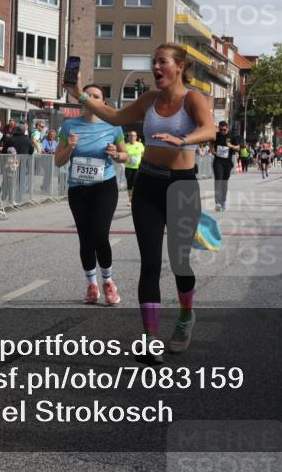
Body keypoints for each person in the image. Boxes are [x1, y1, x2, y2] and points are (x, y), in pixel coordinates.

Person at [65, 43, 215, 362]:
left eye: (162, 62)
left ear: (180, 67)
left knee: (179, 263)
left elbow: (209, 129)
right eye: (153, 63)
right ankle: (150, 341)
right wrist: (78, 93)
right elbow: (114, 115)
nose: (155, 68)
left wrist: (183, 140)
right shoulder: (148, 100)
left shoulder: (193, 99)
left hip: (181, 186)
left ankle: (186, 318)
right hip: (148, 183)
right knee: (150, 264)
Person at [54, 84, 129, 306]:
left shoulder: (113, 126)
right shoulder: (69, 126)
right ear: (83, 101)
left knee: (99, 234)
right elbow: (58, 161)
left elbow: (125, 155)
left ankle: (108, 281)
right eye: (90, 96)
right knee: (85, 239)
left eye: (97, 96)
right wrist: (70, 147)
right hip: (78, 189)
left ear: (103, 102)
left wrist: (116, 154)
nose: (93, 99)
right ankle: (92, 285)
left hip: (104, 187)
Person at [211, 121, 239, 210]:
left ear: (227, 128)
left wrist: (231, 146)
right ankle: (217, 202)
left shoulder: (232, 136)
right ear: (218, 128)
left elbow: (238, 147)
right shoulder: (216, 135)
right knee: (218, 180)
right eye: (220, 129)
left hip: (228, 162)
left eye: (224, 129)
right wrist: (212, 150)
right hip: (218, 161)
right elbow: (211, 144)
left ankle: (223, 201)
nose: (222, 131)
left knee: (224, 182)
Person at [124, 131, 145, 202]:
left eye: (133, 136)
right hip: (128, 167)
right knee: (129, 184)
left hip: (137, 168)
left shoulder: (140, 145)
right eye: (130, 136)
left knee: (135, 183)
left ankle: (136, 198)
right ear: (128, 137)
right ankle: (130, 199)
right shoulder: (125, 146)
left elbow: (143, 154)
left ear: (136, 137)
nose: (132, 137)